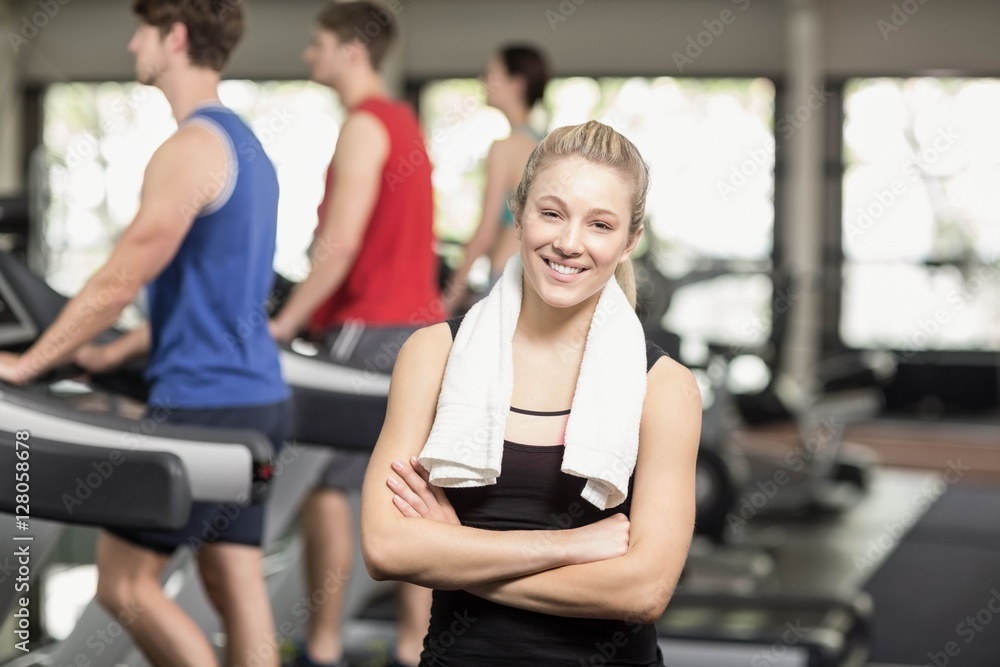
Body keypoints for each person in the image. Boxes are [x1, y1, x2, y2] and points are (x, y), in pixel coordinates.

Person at [0, 2, 291, 666]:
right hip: (257, 398)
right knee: (235, 583)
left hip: (204, 405)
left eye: (143, 31)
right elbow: (212, 296)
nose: (133, 43)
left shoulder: (189, 148)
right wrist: (108, 353)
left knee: (124, 583)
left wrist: (30, 363)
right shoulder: (248, 148)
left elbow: (119, 280)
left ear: (176, 36)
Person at [359, 121, 702, 666]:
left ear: (629, 241)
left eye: (600, 224)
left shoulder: (663, 388)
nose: (569, 242)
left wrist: (455, 553)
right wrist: (566, 546)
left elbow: (643, 591)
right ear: (518, 214)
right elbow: (386, 548)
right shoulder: (432, 355)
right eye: (551, 213)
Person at [267, 3, 439, 666]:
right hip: (417, 330)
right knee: (410, 486)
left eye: (319, 44)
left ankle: (325, 645)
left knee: (323, 486)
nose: (310, 55)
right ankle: (414, 646)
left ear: (351, 52)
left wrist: (283, 323)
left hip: (368, 328)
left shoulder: (366, 125)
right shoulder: (402, 122)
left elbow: (339, 247)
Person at [443, 44, 551, 314]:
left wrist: (448, 298)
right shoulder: (545, 145)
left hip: (505, 275)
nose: (484, 81)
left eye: (492, 73)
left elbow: (486, 231)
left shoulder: (506, 147)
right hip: (534, 280)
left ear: (517, 83)